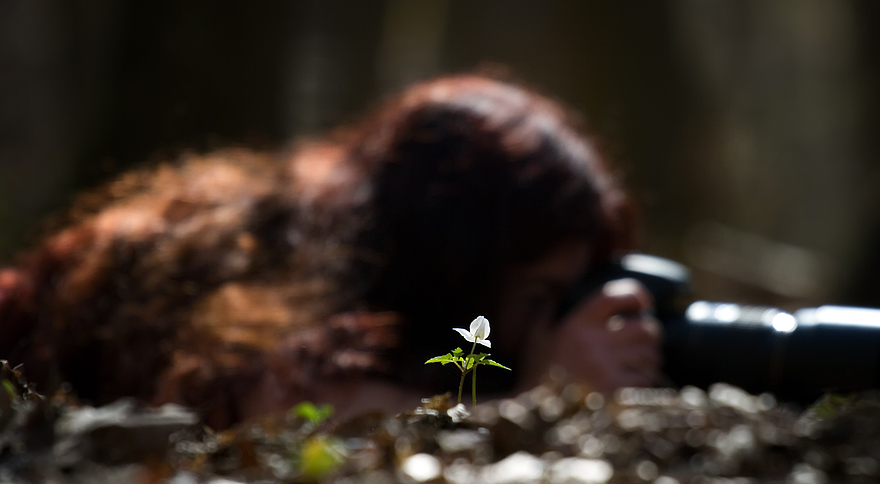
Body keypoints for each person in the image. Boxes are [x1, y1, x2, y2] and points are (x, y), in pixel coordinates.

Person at [0, 75, 663, 427]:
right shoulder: (277, 267)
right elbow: (276, 406)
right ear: (448, 267)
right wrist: (537, 399)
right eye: (538, 298)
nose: (545, 325)